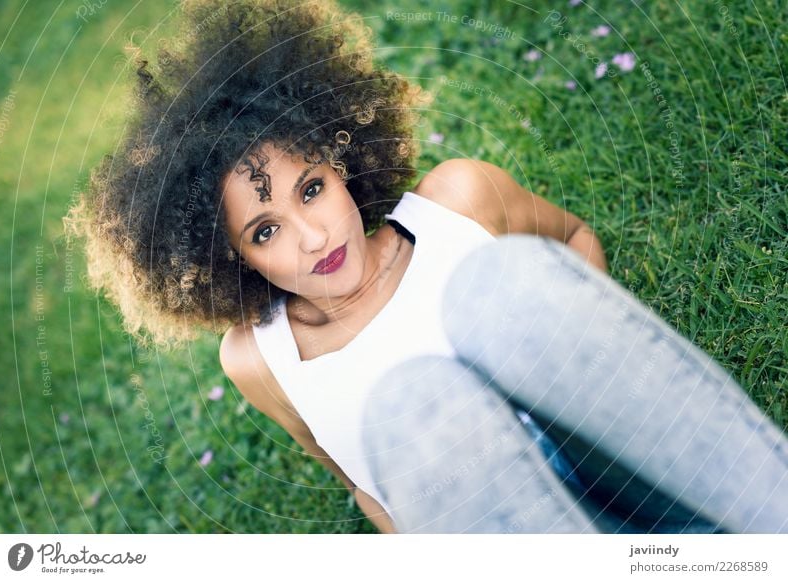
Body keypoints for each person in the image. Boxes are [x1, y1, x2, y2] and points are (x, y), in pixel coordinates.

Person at [65, 0, 787, 534]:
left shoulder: (460, 204)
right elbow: (364, 482)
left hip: (626, 451)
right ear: (231, 260)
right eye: (266, 229)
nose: (313, 237)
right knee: (415, 412)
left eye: (311, 188)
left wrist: (579, 354)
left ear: (342, 157)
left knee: (500, 286)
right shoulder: (260, 358)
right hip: (506, 532)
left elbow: (571, 244)